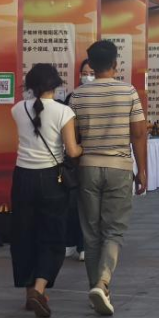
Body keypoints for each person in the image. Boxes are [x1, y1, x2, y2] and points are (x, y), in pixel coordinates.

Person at [69, 40, 147, 316]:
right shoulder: (128, 92)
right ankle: (103, 283)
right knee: (114, 230)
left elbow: (72, 137)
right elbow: (139, 133)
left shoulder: (78, 95)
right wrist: (143, 170)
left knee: (91, 233)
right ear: (115, 63)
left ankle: (97, 288)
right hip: (119, 167)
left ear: (90, 64)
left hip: (88, 167)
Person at [10, 63, 82, 318]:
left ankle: (28, 291)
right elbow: (72, 151)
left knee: (24, 234)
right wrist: (84, 148)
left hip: (22, 178)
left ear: (30, 85)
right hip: (52, 178)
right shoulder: (64, 111)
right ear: (56, 84)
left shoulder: (17, 109)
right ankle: (39, 289)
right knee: (52, 235)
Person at [64, 59, 95, 261]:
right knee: (71, 201)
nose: (87, 77)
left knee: (88, 204)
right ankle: (69, 242)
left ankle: (84, 244)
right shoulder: (72, 97)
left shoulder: (102, 97)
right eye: (84, 73)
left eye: (91, 73)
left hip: (93, 155)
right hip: (73, 156)